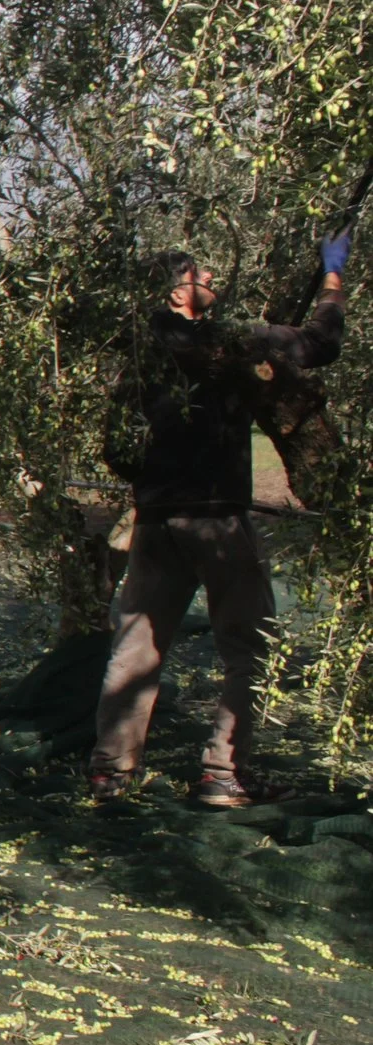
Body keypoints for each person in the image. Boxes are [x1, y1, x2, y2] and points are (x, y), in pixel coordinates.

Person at [91, 236, 348, 806]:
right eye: (202, 271)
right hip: (217, 522)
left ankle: (110, 774)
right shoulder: (225, 342)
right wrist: (333, 277)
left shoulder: (138, 351)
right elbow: (319, 343)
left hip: (156, 521)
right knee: (252, 648)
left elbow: (116, 449)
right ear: (180, 290)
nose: (213, 276)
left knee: (135, 651)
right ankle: (223, 774)